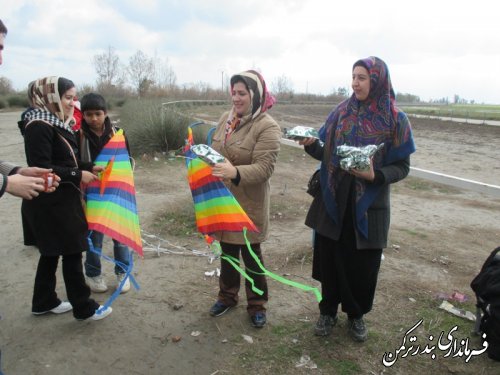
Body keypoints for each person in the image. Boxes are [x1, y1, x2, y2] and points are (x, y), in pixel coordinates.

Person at [299, 56, 416, 341]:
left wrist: (374, 175)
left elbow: (402, 167)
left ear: (377, 81)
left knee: (362, 265)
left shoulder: (395, 119)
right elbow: (325, 151)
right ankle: (327, 312)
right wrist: (311, 145)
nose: (355, 82)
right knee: (329, 258)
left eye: (362, 77)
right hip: (334, 200)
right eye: (353, 76)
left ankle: (356, 316)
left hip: (369, 205)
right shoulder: (341, 112)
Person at [20, 76, 112, 320]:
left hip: (59, 198)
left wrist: (89, 167)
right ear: (50, 98)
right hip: (50, 202)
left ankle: (43, 301)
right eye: (67, 97)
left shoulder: (57, 122)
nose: (73, 103)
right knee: (73, 250)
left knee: (51, 252)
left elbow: (65, 160)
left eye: (74, 98)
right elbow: (41, 167)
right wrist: (77, 174)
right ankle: (84, 308)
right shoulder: (38, 125)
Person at [209, 70, 281, 328]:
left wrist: (235, 172)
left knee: (251, 257)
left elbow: (264, 169)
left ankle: (257, 305)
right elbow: (216, 152)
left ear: (255, 94)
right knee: (227, 252)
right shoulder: (224, 120)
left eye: (242, 93)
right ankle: (227, 297)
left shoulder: (267, 126)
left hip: (250, 204)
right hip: (223, 201)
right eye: (233, 93)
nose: (236, 98)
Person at [78, 93, 132, 294]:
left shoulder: (118, 133)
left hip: (116, 193)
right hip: (90, 195)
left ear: (105, 113)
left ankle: (122, 272)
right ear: (83, 115)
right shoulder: (78, 136)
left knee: (120, 236)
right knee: (95, 236)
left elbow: (128, 160)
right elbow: (74, 164)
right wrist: (90, 168)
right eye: (89, 114)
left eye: (97, 114)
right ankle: (93, 274)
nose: (93, 118)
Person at [0, 19, 59, 200]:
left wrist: (17, 171)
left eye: (2, 49)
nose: (1, 60)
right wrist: (6, 183)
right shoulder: (38, 124)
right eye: (67, 97)